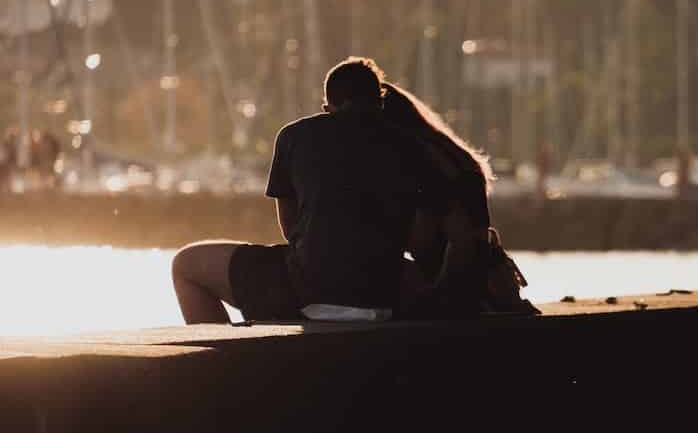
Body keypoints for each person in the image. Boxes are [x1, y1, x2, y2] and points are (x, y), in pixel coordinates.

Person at [172, 57, 451, 324]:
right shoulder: (412, 146)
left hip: (303, 291)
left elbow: (290, 227)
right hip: (383, 297)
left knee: (186, 265)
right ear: (379, 103)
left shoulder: (294, 136)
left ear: (328, 107)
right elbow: (420, 238)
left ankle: (226, 362)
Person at [382, 82, 538, 317]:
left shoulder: (424, 162)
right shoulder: (450, 154)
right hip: (484, 286)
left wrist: (436, 296)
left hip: (462, 292)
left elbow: (454, 239)